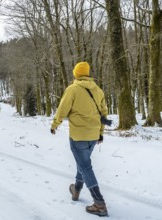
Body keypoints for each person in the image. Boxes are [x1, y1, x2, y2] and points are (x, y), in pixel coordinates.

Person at [50, 61, 108, 217]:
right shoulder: (98, 90)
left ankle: (99, 203)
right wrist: (101, 133)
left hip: (78, 136)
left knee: (85, 166)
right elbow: (103, 114)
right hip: (93, 135)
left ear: (76, 74)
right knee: (82, 163)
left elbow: (62, 109)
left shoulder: (72, 89)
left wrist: (55, 124)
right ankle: (76, 190)